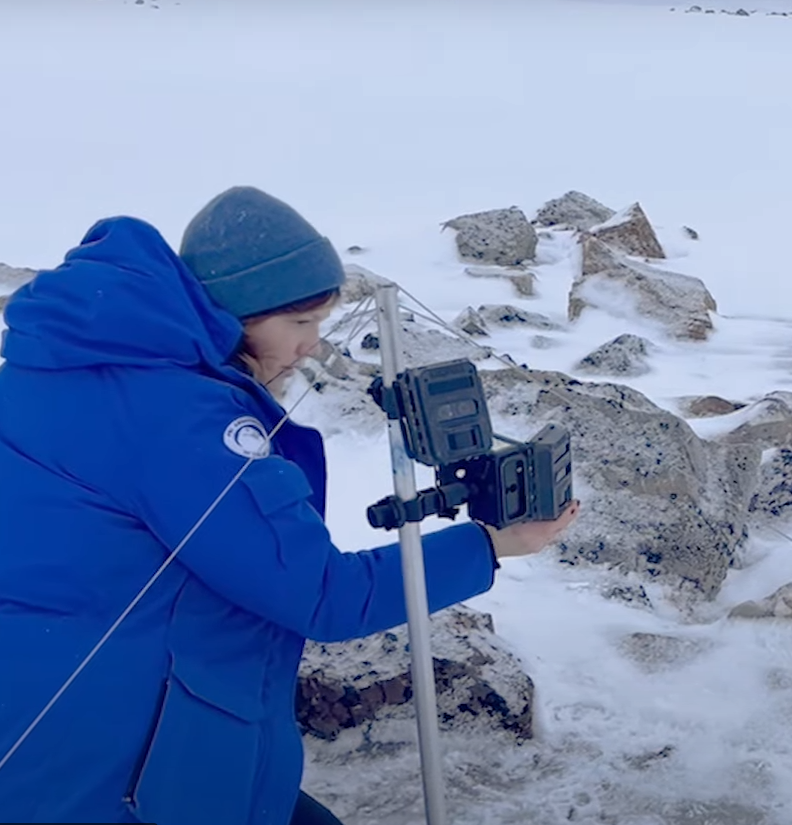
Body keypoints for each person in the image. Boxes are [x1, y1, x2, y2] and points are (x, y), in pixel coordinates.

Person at [0, 186, 580, 825]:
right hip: (121, 760)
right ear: (236, 313)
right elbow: (323, 595)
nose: (311, 346)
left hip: (49, 707)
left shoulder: (57, 367)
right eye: (300, 323)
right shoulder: (178, 416)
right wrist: (493, 545)